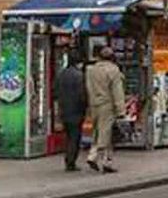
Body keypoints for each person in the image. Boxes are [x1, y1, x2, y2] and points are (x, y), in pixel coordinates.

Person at [85, 44, 125, 173]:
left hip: (94, 104)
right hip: (107, 105)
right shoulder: (113, 70)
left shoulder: (90, 70)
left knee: (98, 131)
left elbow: (88, 88)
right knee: (105, 133)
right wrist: (121, 110)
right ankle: (93, 155)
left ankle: (107, 162)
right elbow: (117, 91)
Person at [53, 51, 88, 171]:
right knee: (75, 137)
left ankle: (68, 158)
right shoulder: (79, 76)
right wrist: (85, 107)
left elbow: (55, 91)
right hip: (76, 110)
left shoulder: (61, 74)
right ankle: (71, 161)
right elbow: (82, 95)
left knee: (68, 135)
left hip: (64, 109)